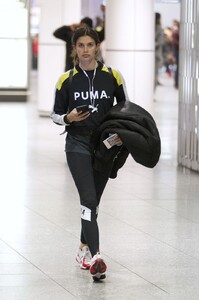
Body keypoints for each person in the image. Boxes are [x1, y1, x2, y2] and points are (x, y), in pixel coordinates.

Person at [51, 27, 129, 281]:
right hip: (77, 144)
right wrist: (68, 118)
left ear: (97, 47)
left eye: (89, 45)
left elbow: (125, 109)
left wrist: (120, 133)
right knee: (88, 197)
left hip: (104, 146)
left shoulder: (113, 76)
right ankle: (96, 256)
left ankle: (82, 249)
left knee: (93, 201)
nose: (85, 50)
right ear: (74, 49)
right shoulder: (67, 80)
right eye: (80, 45)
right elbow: (55, 114)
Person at [154, 12, 164, 89]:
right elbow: (160, 42)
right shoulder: (159, 28)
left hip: (153, 55)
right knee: (154, 74)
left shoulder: (150, 28)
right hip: (156, 55)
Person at [172, 19, 179, 89]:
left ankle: (176, 82)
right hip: (177, 51)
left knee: (177, 67)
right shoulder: (176, 32)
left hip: (176, 51)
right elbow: (175, 43)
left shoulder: (175, 31)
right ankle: (176, 83)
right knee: (178, 67)